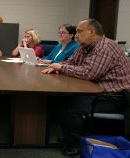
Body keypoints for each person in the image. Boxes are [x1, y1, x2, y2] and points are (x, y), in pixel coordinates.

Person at [42, 19, 130, 156]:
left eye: (79, 31)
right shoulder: (84, 46)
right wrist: (60, 67)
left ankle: (77, 145)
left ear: (92, 32)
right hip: (94, 87)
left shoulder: (104, 47)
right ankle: (70, 138)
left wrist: (61, 67)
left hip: (114, 96)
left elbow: (89, 73)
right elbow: (70, 62)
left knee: (69, 107)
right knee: (57, 100)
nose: (76, 35)